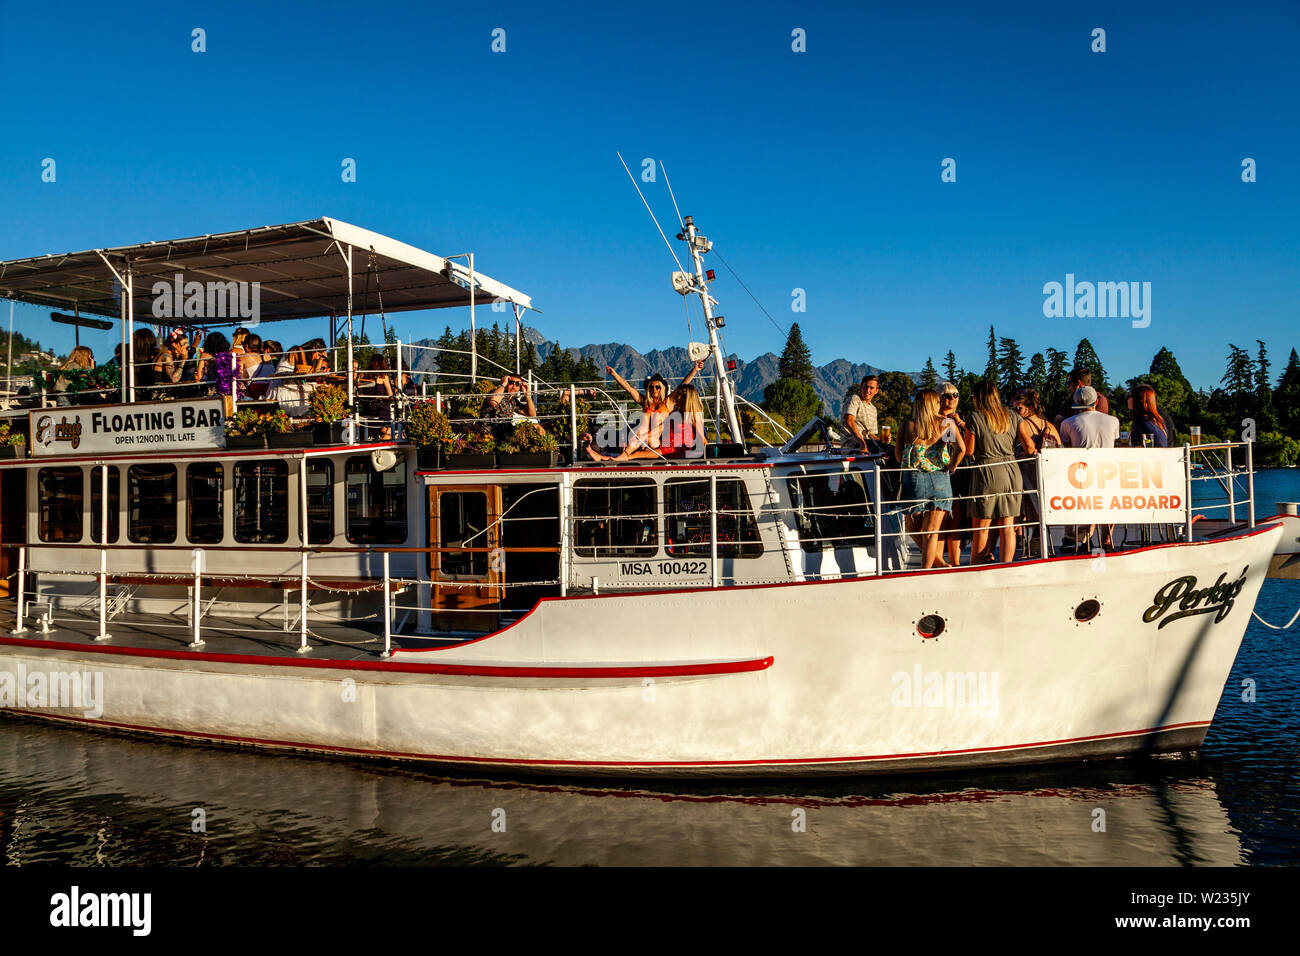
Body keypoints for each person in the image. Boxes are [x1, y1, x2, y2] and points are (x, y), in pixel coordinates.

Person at [966, 379, 1035, 564]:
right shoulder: (1012, 415)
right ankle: (1006, 566)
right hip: (1011, 471)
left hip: (986, 471)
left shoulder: (975, 417)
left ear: (978, 398)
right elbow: (1029, 446)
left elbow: (970, 450)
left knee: (981, 526)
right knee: (1007, 526)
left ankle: (976, 567)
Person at [894, 388, 956, 569]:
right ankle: (931, 566)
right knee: (931, 532)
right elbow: (960, 448)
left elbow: (898, 456)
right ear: (933, 404)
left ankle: (932, 564)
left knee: (912, 526)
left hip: (914, 479)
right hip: (941, 477)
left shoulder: (907, 425)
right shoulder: (946, 423)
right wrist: (951, 466)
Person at [1060, 385, 1122, 551]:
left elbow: (1066, 452)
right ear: (1096, 402)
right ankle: (1107, 540)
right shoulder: (1113, 421)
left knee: (1085, 506)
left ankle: (1080, 538)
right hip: (1108, 472)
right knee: (1108, 505)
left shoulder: (1067, 423)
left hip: (1081, 474)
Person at [1011, 388, 1061, 558]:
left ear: (1029, 407)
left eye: (1018, 408)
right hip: (1049, 474)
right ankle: (1042, 543)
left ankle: (1032, 545)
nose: (1015, 412)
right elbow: (1061, 448)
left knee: (1027, 513)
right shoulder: (1049, 426)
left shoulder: (1022, 425)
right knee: (1042, 512)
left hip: (1027, 471)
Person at [935, 381, 970, 567]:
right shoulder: (941, 420)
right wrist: (952, 466)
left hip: (960, 471)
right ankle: (943, 560)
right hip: (948, 470)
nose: (951, 399)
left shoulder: (957, 420)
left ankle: (953, 561)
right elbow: (954, 447)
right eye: (947, 395)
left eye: (955, 395)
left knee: (957, 518)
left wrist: (961, 423)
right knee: (947, 517)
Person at [485, 372, 545, 440]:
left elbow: (532, 414)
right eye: (511, 382)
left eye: (517, 384)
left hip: (506, 432)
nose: (514, 386)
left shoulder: (513, 401)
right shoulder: (496, 392)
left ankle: (544, 448)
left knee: (537, 427)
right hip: (491, 432)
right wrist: (503, 384)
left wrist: (527, 395)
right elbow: (493, 402)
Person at [359, 355, 396, 439]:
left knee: (387, 426)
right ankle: (387, 432)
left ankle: (385, 431)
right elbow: (390, 394)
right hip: (378, 408)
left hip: (367, 407)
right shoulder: (383, 376)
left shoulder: (364, 375)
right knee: (394, 415)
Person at [1129, 383, 1174, 448]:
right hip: (1164, 456)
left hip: (1152, 457)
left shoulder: (1141, 422)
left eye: (1129, 397)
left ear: (1137, 400)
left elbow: (1136, 450)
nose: (1127, 399)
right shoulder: (1159, 421)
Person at [842, 375, 880, 452]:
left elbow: (871, 435)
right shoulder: (854, 399)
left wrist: (881, 439)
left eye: (871, 388)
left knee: (892, 449)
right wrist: (862, 443)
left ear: (876, 391)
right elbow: (849, 421)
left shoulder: (873, 409)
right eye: (865, 387)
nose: (867, 390)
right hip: (852, 444)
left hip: (867, 442)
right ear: (861, 387)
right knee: (889, 451)